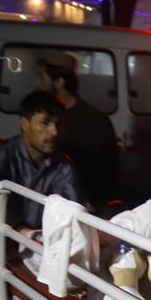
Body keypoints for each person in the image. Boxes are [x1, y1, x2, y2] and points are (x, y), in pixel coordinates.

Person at [35, 51, 119, 214]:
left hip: (84, 207)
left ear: (59, 82)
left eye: (42, 78)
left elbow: (105, 175)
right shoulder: (41, 117)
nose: (37, 83)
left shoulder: (94, 120)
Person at [0, 90, 79, 229]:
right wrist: (19, 228)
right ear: (24, 123)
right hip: (4, 238)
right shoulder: (3, 158)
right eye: (45, 123)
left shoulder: (64, 167)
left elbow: (71, 208)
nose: (54, 132)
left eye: (58, 124)